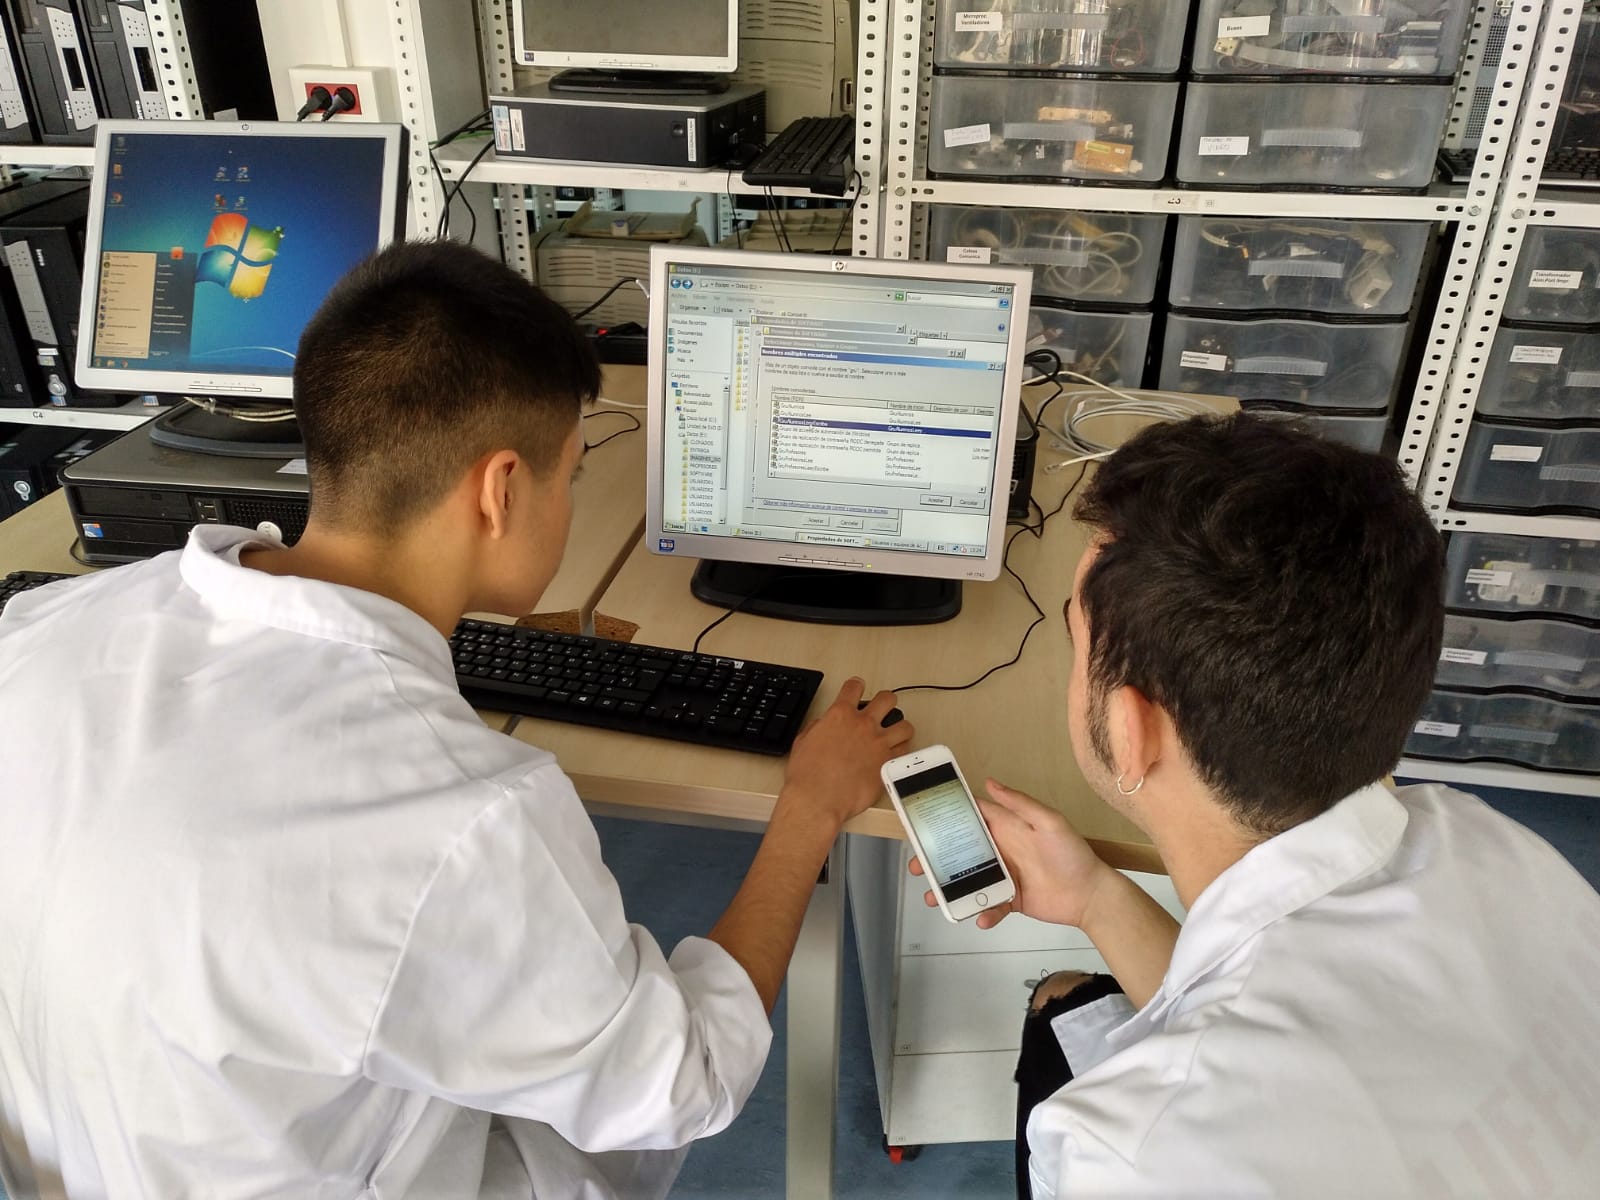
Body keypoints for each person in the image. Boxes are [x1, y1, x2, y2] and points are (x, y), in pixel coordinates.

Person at [0, 240, 913, 1199]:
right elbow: (687, 1082)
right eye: (571, 475)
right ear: (500, 490)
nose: (570, 500)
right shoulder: (467, 813)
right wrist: (808, 810)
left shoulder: (41, 627)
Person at [910, 414, 1600, 1198]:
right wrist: (1096, 896)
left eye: (1075, 641)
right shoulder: (1488, 842)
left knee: (1058, 1004)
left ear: (1132, 733)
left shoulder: (1131, 1153)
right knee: (1064, 997)